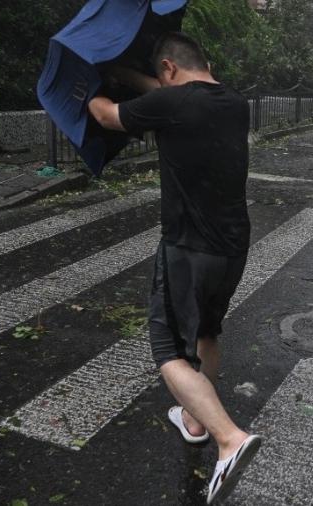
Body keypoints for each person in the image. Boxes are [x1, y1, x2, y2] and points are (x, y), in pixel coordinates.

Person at [87, 32, 261, 505]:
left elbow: (107, 115)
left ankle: (229, 438)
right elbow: (172, 96)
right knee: (206, 333)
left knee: (167, 350)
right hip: (232, 245)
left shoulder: (172, 105)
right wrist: (130, 75)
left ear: (168, 68)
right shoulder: (234, 102)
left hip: (187, 245)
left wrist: (95, 89)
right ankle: (196, 421)